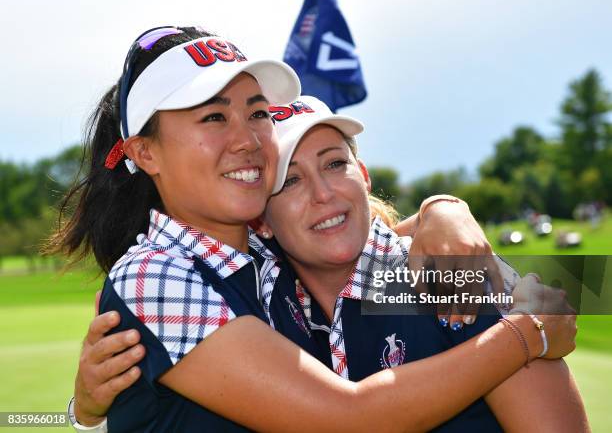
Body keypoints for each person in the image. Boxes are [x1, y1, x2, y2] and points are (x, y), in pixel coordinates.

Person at [50, 27, 581, 432]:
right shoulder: (155, 277)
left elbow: (571, 288)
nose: (247, 139)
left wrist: (444, 209)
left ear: (363, 174)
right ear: (144, 152)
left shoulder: (277, 267)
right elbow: (346, 418)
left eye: (256, 114)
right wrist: (527, 333)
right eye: (213, 118)